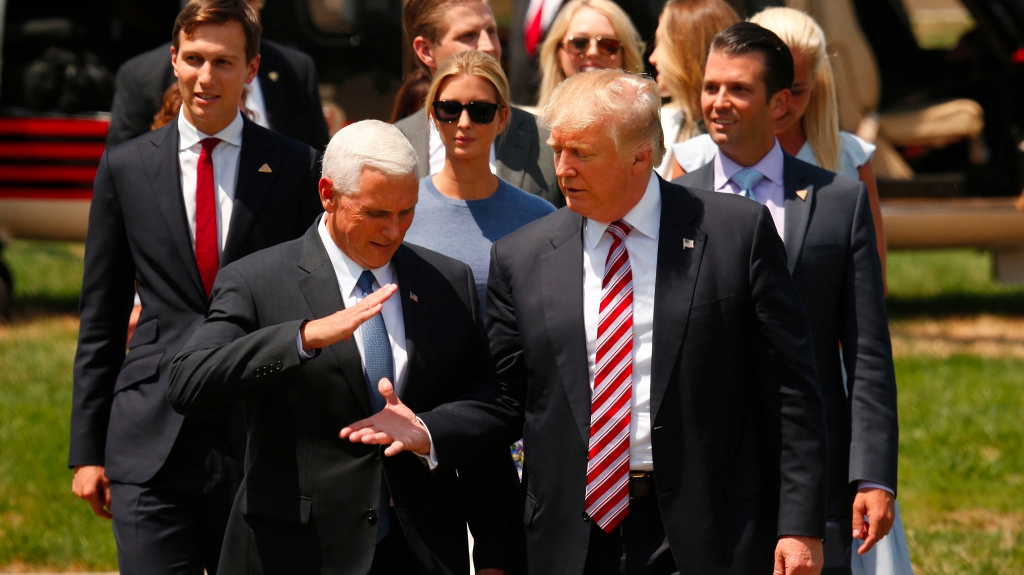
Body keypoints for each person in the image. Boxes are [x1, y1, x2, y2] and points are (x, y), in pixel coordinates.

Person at [342, 69, 829, 575]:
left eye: (583, 154)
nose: (563, 169)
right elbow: (507, 398)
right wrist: (428, 428)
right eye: (557, 151)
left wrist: (800, 525)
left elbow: (790, 391)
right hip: (569, 539)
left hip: (707, 531)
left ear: (641, 155)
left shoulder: (734, 234)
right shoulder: (524, 256)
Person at [167, 119, 522, 575]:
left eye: (407, 212)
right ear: (328, 194)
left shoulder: (445, 283)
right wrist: (301, 338)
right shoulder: (257, 280)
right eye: (376, 213)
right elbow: (189, 383)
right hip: (295, 551)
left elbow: (488, 410)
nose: (394, 231)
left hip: (420, 550)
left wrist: (494, 554)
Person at [67, 2, 323, 573]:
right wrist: (87, 451)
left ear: (252, 69)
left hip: (258, 435)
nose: (207, 77)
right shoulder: (126, 168)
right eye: (195, 59)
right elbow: (102, 318)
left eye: (225, 62)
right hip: (149, 441)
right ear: (174, 61)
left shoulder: (295, 166)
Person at [673, 22, 899, 575]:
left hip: (812, 474)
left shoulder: (837, 202)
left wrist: (872, 474)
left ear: (780, 103)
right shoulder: (675, 202)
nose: (718, 103)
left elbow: (866, 349)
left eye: (738, 89)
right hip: (699, 476)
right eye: (710, 87)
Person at [403, 50, 555, 476]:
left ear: (503, 119)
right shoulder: (403, 209)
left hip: (510, 422)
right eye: (449, 109)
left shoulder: (538, 217)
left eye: (480, 110)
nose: (463, 123)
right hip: (421, 417)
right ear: (433, 116)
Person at [672, 7, 889, 288]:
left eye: (796, 91)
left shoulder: (849, 159)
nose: (782, 103)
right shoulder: (694, 160)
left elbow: (871, 281)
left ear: (816, 81)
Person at [396, 0, 561, 207]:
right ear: (426, 51)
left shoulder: (547, 140)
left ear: (503, 119)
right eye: (468, 35)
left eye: (491, 31)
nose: (489, 46)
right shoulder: (396, 144)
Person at [105, 0, 330, 151]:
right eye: (193, 59)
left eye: (241, 2)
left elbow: (315, 161)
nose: (207, 78)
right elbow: (123, 176)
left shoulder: (296, 69)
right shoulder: (140, 75)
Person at [647, 0, 738, 178]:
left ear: (689, 52)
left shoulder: (733, 143)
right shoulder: (660, 120)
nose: (652, 58)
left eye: (661, 44)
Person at [534, 0, 645, 108]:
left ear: (625, 57)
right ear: (557, 56)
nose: (593, 52)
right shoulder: (531, 124)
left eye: (608, 45)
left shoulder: (648, 124)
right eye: (579, 43)